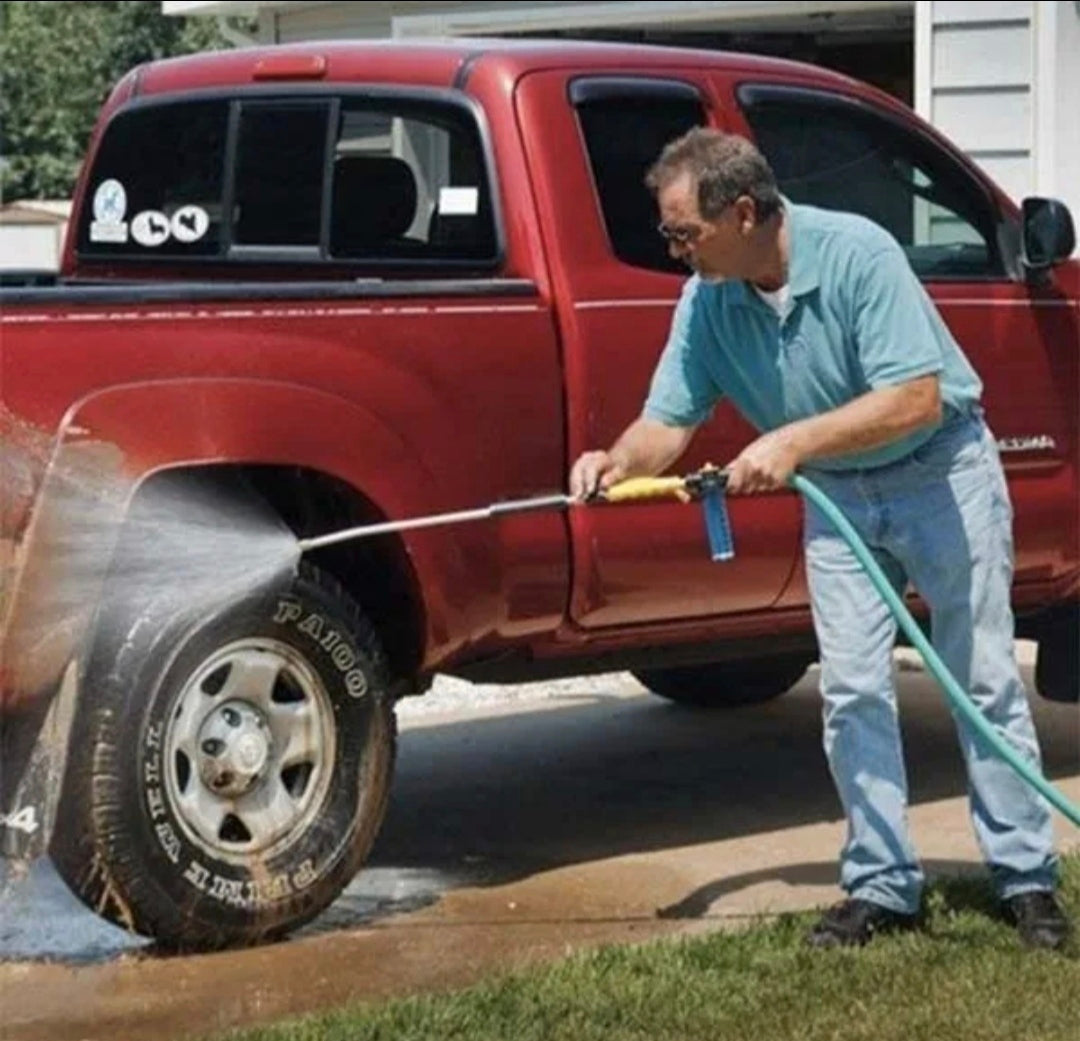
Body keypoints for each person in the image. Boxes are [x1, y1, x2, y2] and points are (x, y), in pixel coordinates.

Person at [569, 128, 1071, 950]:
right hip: (838, 495)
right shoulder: (705, 301)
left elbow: (914, 397)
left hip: (939, 472)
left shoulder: (859, 255)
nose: (673, 250)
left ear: (741, 213)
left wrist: (793, 442)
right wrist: (613, 462)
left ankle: (1025, 879)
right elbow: (667, 421)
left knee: (980, 678)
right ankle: (882, 883)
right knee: (852, 690)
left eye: (683, 233)